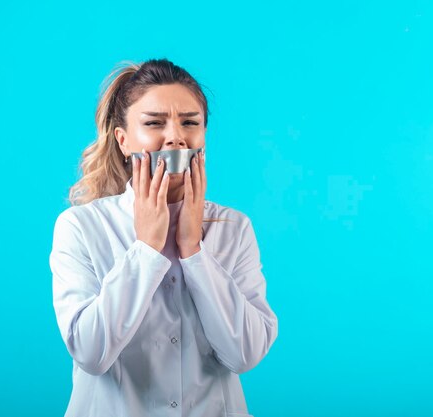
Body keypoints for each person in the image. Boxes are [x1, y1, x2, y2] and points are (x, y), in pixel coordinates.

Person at [49, 58, 278, 417]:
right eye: (154, 123)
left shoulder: (234, 228)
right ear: (123, 141)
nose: (175, 137)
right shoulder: (80, 227)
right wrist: (146, 250)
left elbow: (246, 353)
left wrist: (194, 252)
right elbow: (90, 352)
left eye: (190, 123)